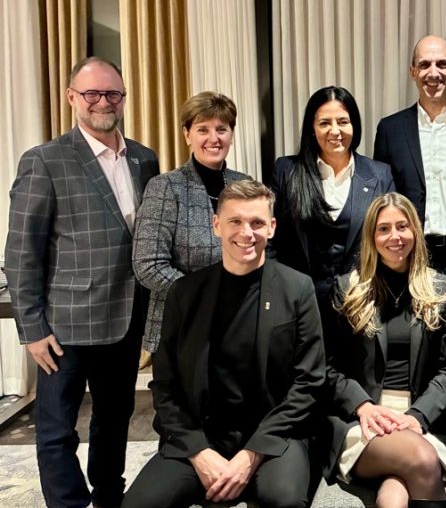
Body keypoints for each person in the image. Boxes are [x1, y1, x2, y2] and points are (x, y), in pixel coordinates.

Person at [4, 57, 159, 508]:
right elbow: (21, 252)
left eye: (113, 93)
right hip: (64, 327)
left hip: (126, 317)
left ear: (124, 98)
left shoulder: (144, 158)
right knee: (56, 429)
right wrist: (31, 328)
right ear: (73, 97)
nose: (103, 102)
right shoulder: (45, 160)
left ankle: (109, 495)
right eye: (92, 93)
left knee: (114, 419)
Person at [122, 180, 325, 508]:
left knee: (285, 501)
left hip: (272, 437)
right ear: (217, 225)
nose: (246, 232)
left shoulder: (298, 289)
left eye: (257, 222)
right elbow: (165, 385)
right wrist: (200, 454)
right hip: (200, 436)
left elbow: (308, 383)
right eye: (235, 221)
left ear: (271, 228)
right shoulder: (185, 293)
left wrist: (249, 456)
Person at [325, 192, 446, 508]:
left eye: (402, 226)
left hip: (422, 418)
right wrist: (363, 407)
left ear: (415, 230)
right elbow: (329, 367)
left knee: (394, 494)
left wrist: (418, 415)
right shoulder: (348, 289)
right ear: (371, 236)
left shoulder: (440, 289)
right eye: (384, 229)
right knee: (421, 460)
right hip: (364, 421)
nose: (395, 236)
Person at [133, 91, 249, 354]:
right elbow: (147, 265)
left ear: (231, 134)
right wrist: (206, 296)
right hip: (181, 324)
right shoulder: (165, 187)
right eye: (202, 129)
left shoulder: (245, 184)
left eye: (222, 129)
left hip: (236, 323)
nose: (213, 138)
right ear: (187, 135)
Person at [374, 35, 446, 286]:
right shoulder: (390, 130)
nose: (433, 72)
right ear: (412, 71)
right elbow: (383, 201)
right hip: (407, 256)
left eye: (442, 64)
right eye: (425, 64)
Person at [271, 86, 394, 321]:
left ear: (354, 125)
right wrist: (279, 291)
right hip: (299, 304)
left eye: (343, 121)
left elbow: (390, 241)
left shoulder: (380, 175)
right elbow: (270, 238)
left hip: (362, 304)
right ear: (312, 128)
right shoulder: (287, 171)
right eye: (324, 123)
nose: (335, 131)